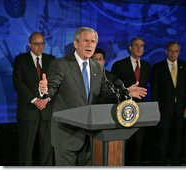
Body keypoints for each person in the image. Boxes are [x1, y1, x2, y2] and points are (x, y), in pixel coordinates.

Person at [38, 27, 147, 166]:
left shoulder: (98, 67)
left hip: (89, 135)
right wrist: (44, 90)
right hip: (66, 134)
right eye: (86, 41)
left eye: (93, 42)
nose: (90, 45)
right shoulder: (61, 64)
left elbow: (106, 93)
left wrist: (126, 92)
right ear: (76, 43)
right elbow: (51, 87)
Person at [13, 32, 55, 166]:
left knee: (47, 151)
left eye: (42, 43)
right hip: (28, 112)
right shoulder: (21, 60)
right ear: (30, 44)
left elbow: (55, 83)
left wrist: (46, 99)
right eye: (37, 44)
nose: (40, 47)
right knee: (26, 151)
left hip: (47, 112)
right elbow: (18, 83)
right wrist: (35, 100)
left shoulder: (51, 60)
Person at [151, 41, 186, 166]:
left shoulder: (185, 66)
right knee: (162, 140)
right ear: (166, 51)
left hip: (180, 109)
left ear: (179, 52)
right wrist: (155, 108)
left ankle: (175, 165)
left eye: (176, 51)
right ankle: (161, 165)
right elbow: (155, 89)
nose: (173, 53)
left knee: (177, 140)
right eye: (171, 50)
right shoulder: (158, 67)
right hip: (163, 110)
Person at [111, 37, 151, 166]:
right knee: (123, 143)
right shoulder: (119, 64)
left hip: (140, 111)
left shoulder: (146, 66)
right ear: (130, 47)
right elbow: (113, 87)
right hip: (123, 110)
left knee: (138, 144)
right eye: (136, 45)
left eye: (142, 46)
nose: (139, 48)